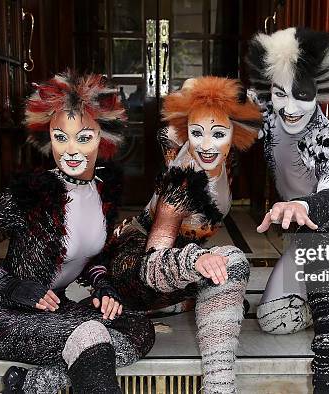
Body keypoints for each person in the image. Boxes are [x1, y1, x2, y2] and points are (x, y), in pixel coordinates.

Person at [0, 71, 155, 394]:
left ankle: (33, 384)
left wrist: (103, 285)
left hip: (55, 311)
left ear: (104, 138)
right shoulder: (32, 195)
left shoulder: (104, 190)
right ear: (48, 136)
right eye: (61, 136)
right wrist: (10, 284)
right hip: (4, 316)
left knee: (139, 327)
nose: (71, 150)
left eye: (84, 137)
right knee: (89, 334)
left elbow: (93, 253)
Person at [102, 76, 262, 394]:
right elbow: (152, 264)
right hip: (135, 266)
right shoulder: (183, 178)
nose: (205, 144)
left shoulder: (227, 158)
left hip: (177, 263)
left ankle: (217, 383)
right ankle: (219, 385)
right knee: (230, 262)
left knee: (228, 267)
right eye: (196, 133)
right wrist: (195, 260)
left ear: (235, 132)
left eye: (218, 133)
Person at [246, 27, 329, 393]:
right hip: (304, 234)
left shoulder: (328, 138)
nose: (289, 108)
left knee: (318, 231)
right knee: (274, 319)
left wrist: (302, 204)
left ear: (319, 90)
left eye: (301, 95)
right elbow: (228, 117)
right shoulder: (270, 117)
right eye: (278, 94)